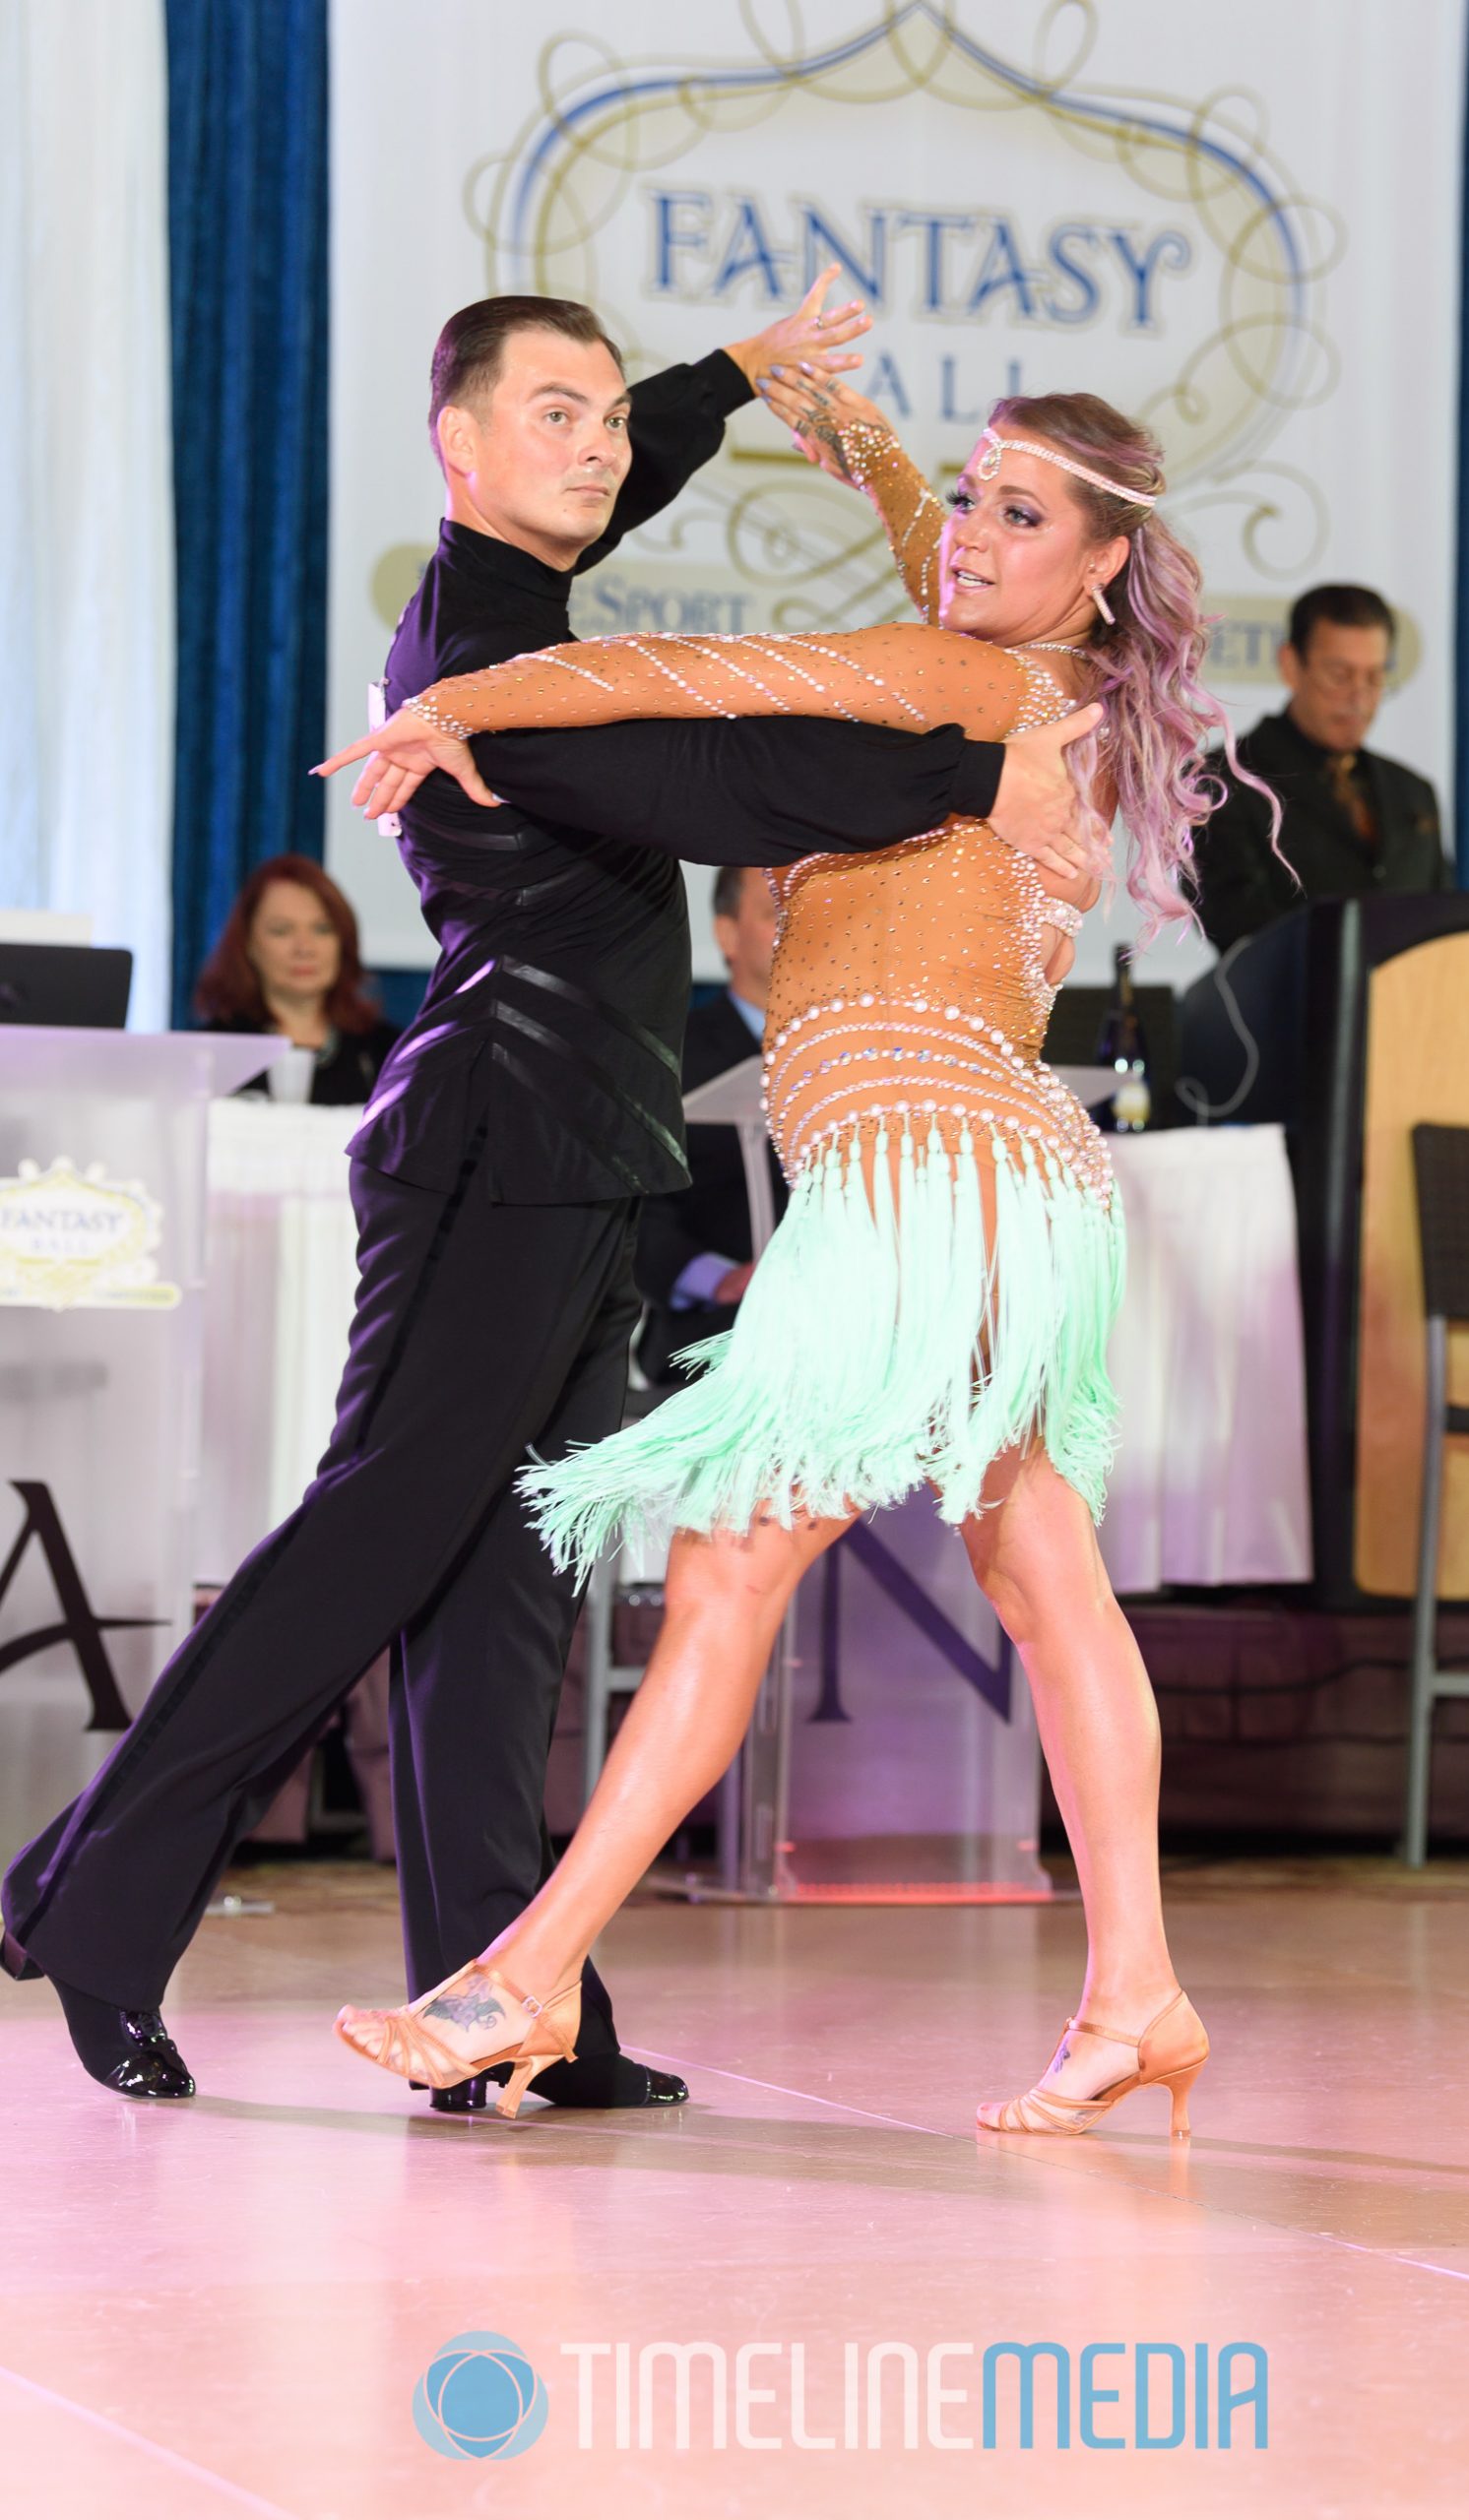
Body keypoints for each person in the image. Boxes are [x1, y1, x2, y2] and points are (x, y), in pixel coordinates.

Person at [0, 287, 1094, 2109]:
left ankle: (510, 2002)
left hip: (586, 1142)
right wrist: (976, 774)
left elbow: (621, 474)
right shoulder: (486, 665)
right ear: (459, 444)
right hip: (498, 1135)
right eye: (555, 417)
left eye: (608, 418)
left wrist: (719, 384)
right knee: (369, 1545)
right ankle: (92, 1904)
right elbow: (726, 767)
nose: (597, 446)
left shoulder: (525, 595)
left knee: (506, 1587)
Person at [319, 373, 1276, 2138]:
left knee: (733, 1574)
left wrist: (446, 698)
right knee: (1048, 1582)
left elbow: (686, 677)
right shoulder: (1044, 679)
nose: (971, 537)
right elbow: (968, 560)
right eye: (970, 500)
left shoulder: (962, 682)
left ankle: (522, 1975)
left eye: (1018, 515)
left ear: (1103, 558)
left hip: (923, 1181)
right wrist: (899, 465)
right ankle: (1134, 1991)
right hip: (1006, 1182)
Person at [1191, 584, 1448, 952]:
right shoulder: (1222, 782)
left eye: (1374, 677)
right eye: (1340, 675)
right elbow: (1238, 925)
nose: (1359, 697)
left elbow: (1444, 919)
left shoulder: (1413, 791)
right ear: (1291, 666)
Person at [634, 865, 783, 1388]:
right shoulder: (669, 1056)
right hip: (719, 1332)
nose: (801, 928)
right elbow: (635, 1211)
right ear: (726, 933)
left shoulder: (873, 1059)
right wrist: (723, 1280)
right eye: (776, 912)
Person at [195, 853, 401, 1106]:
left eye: (322, 929)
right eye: (282, 930)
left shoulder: (389, 1052)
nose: (305, 948)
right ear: (248, 943)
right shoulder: (210, 1053)